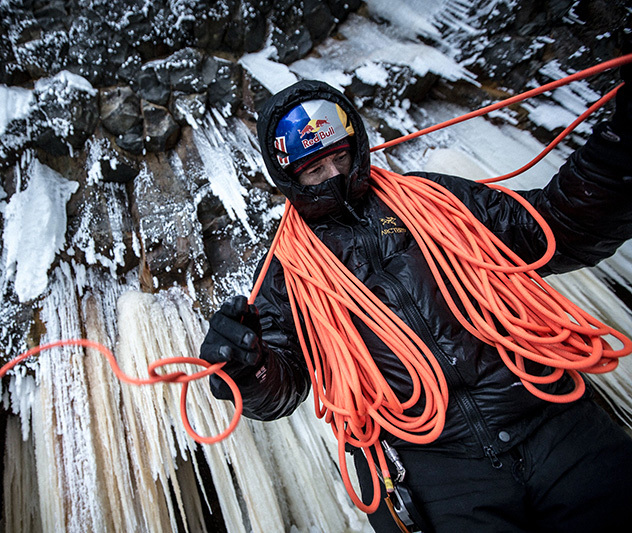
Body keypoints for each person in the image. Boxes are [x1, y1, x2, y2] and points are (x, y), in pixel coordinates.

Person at [200, 60, 632, 533]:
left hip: (545, 413)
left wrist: (614, 156)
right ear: (287, 178)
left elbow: (552, 230)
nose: (333, 177)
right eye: (313, 170)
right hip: (433, 468)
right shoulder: (286, 271)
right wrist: (248, 370)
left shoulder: (432, 198)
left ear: (355, 144)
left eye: (340, 157)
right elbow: (282, 382)